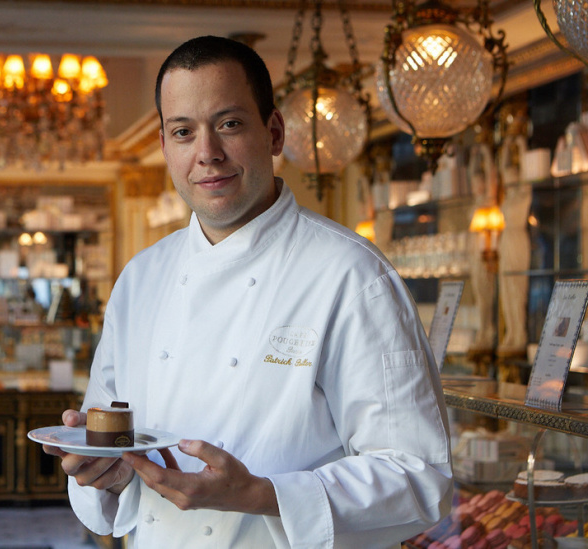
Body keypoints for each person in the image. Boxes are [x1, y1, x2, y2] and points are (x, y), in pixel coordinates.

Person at [43, 35, 453, 548]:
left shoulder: (351, 275)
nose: (207, 153)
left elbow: (418, 477)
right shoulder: (141, 278)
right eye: (183, 132)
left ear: (274, 132)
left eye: (229, 124)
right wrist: (107, 469)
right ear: (166, 147)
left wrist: (262, 495)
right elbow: (114, 445)